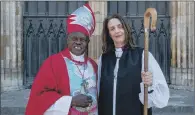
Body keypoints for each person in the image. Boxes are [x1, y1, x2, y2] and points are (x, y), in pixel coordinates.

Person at [25, 3, 98, 115]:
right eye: (74, 38)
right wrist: (71, 101)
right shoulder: (53, 63)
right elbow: (39, 97)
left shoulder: (93, 65)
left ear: (87, 42)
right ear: (67, 39)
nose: (78, 42)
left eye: (82, 39)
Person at [97, 14, 170, 115]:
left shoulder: (143, 55)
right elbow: (99, 92)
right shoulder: (104, 59)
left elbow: (160, 96)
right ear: (109, 34)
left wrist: (150, 84)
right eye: (112, 29)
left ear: (126, 29)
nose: (117, 31)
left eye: (120, 26)